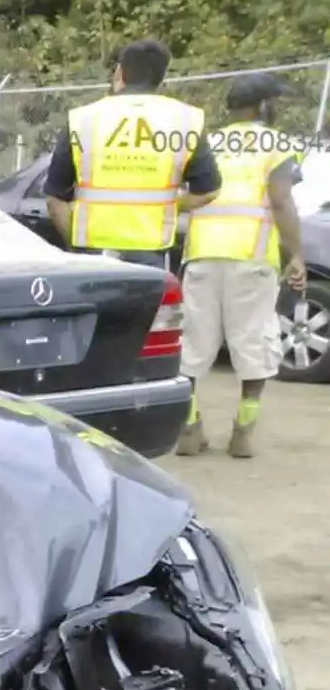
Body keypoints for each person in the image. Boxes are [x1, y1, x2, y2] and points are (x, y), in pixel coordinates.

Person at [176, 73, 308, 458]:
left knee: (193, 346)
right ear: (265, 105)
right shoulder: (280, 144)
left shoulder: (206, 142)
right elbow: (280, 200)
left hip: (201, 253)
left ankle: (190, 429)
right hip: (251, 257)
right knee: (254, 343)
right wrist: (296, 253)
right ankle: (243, 433)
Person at [43, 39, 221, 267]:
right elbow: (208, 191)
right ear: (162, 78)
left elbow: (55, 198)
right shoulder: (185, 119)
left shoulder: (83, 118)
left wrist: (75, 248)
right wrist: (164, 206)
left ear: (120, 72)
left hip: (92, 253)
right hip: (149, 253)